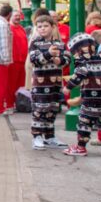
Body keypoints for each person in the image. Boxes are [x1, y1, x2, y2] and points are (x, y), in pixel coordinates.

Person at [62, 33, 101, 156]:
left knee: (85, 122)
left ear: (79, 50)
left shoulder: (84, 63)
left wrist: (67, 88)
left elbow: (77, 77)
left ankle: (80, 148)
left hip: (92, 99)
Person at [29, 15, 70, 149]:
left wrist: (61, 61)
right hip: (40, 84)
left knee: (52, 109)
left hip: (55, 83)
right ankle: (37, 136)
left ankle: (49, 136)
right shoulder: (35, 43)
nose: (42, 29)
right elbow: (34, 60)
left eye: (45, 26)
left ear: (53, 27)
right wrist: (48, 54)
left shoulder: (60, 43)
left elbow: (67, 59)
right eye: (39, 26)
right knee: (40, 109)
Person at [8, 11, 28, 110]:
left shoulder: (21, 29)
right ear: (10, 17)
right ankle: (10, 103)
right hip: (13, 60)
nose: (18, 17)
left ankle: (19, 103)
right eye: (15, 16)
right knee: (12, 83)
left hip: (23, 61)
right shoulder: (8, 28)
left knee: (21, 84)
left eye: (19, 16)